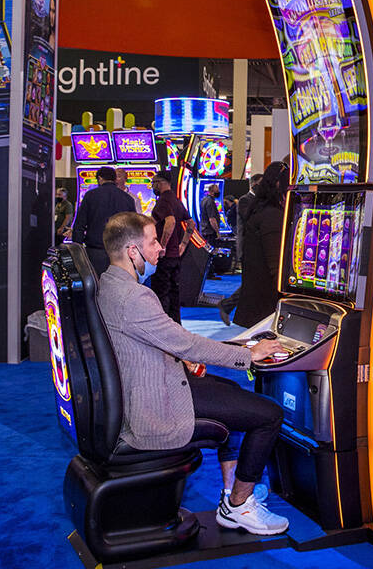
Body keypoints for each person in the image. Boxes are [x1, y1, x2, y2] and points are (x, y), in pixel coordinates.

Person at [95, 211, 289, 535]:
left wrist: (237, 346)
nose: (160, 248)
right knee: (268, 414)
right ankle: (240, 504)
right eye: (154, 241)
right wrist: (247, 354)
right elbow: (184, 344)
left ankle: (231, 497)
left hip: (151, 385)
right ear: (132, 251)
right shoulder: (134, 297)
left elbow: (168, 340)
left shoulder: (109, 284)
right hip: (157, 406)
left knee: (233, 394)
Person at [234, 162, 288, 328]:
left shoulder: (260, 208)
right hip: (265, 302)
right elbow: (275, 265)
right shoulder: (271, 214)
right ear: (279, 184)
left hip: (256, 298)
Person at [71, 166, 136, 276]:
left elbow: (79, 225)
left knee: (97, 286)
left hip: (96, 251)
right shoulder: (128, 198)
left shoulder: (90, 195)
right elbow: (134, 227)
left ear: (100, 178)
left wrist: (78, 251)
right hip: (121, 252)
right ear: (114, 179)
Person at [218, 174, 264, 326]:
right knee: (250, 282)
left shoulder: (257, 200)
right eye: (261, 184)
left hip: (256, 248)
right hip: (246, 248)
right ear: (254, 184)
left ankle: (230, 306)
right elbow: (250, 219)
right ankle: (227, 305)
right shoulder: (245, 200)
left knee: (253, 282)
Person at [149, 172, 192, 322]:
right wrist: (183, 244)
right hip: (175, 256)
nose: (152, 186)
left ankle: (164, 326)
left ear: (160, 183)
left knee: (161, 293)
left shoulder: (163, 201)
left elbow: (171, 221)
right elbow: (191, 223)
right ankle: (175, 325)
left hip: (165, 257)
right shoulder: (176, 200)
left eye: (153, 182)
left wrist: (162, 246)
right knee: (174, 293)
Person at [200, 183, 223, 278]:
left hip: (204, 230)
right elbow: (212, 219)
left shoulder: (204, 200)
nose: (219, 192)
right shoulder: (210, 202)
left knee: (207, 253)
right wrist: (217, 232)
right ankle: (209, 273)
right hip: (209, 231)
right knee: (210, 253)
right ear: (213, 191)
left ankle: (208, 273)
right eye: (217, 190)